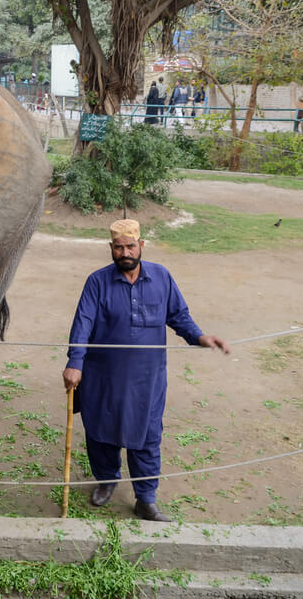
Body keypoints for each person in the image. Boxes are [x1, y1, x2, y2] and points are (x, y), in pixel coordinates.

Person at [62, 219, 230, 522]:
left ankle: (145, 499)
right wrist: (75, 363)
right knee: (100, 434)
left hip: (147, 380)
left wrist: (200, 337)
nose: (125, 252)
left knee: (148, 436)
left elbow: (179, 316)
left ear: (142, 246)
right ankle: (107, 481)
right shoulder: (97, 282)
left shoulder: (162, 277)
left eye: (130, 246)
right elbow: (82, 324)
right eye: (118, 247)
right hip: (103, 378)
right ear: (111, 249)